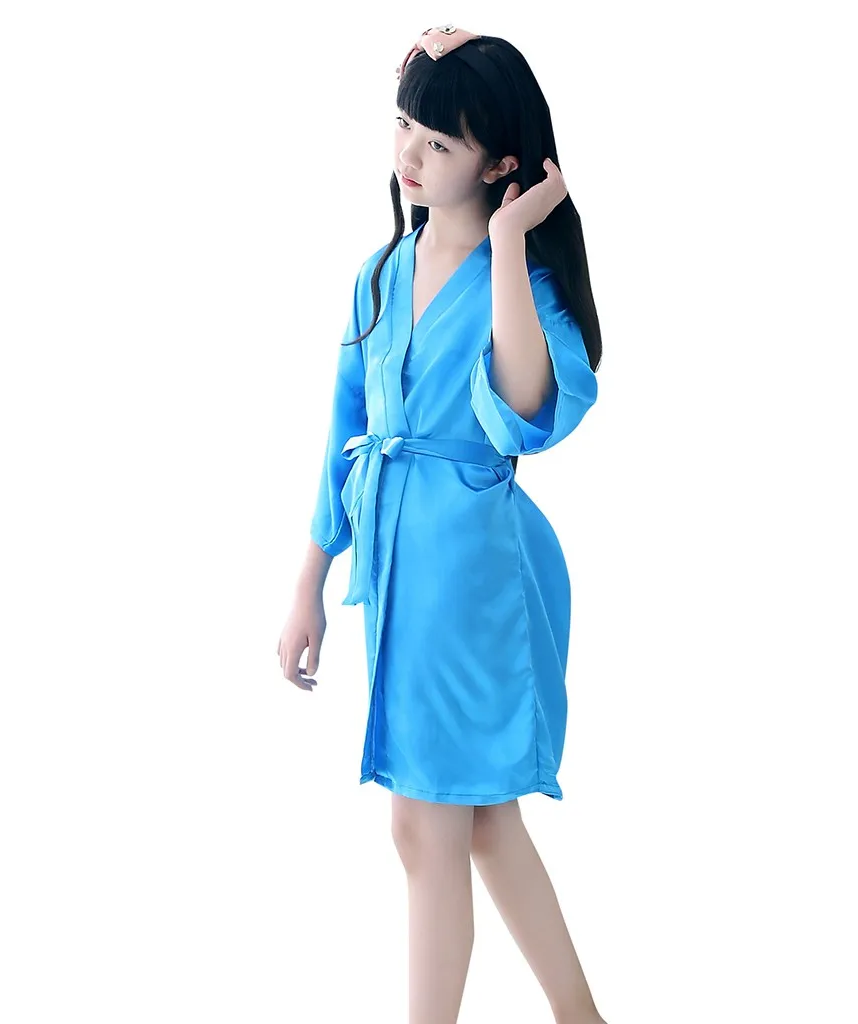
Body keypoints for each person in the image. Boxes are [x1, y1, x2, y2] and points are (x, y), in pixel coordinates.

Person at [277, 25, 606, 1024]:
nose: (410, 157)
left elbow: (523, 409)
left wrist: (506, 242)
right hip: (396, 563)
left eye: (439, 142)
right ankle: (583, 1016)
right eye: (404, 128)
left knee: (426, 828)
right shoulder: (381, 273)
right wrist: (308, 580)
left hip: (470, 572)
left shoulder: (526, 284)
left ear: (500, 164)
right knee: (480, 819)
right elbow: (347, 427)